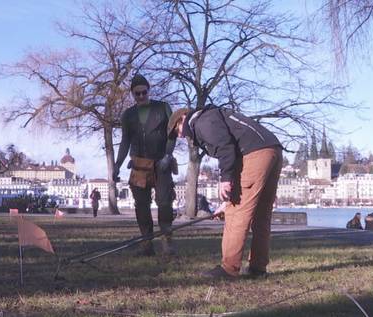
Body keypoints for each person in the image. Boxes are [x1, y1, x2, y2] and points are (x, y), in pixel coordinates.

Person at [173, 105, 283, 279]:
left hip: (255, 154)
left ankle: (229, 268)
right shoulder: (213, 116)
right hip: (273, 149)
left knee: (237, 212)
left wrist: (225, 181)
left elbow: (225, 148)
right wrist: (225, 202)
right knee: (262, 214)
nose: (179, 136)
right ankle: (258, 267)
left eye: (176, 130)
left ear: (183, 118)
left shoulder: (201, 122)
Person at [113, 74, 177, 256]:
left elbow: (172, 134)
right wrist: (118, 164)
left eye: (143, 92)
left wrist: (167, 155)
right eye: (137, 94)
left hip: (161, 164)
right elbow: (125, 141)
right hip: (139, 165)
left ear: (149, 90)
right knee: (141, 205)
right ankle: (146, 244)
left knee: (165, 203)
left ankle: (167, 242)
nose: (141, 96)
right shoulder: (128, 115)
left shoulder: (163, 108)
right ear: (132, 94)